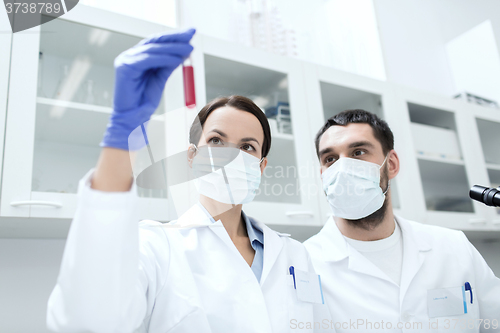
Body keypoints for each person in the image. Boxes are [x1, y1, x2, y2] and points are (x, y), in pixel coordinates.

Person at [46, 29, 331, 333]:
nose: (232, 156)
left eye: (247, 147)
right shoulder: (156, 247)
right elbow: (85, 321)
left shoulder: (294, 255)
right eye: (217, 141)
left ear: (261, 167)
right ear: (192, 157)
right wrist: (121, 135)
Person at [304, 109, 500, 332]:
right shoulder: (303, 265)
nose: (343, 168)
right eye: (330, 159)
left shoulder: (453, 247)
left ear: (392, 164)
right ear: (322, 174)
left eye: (358, 152)